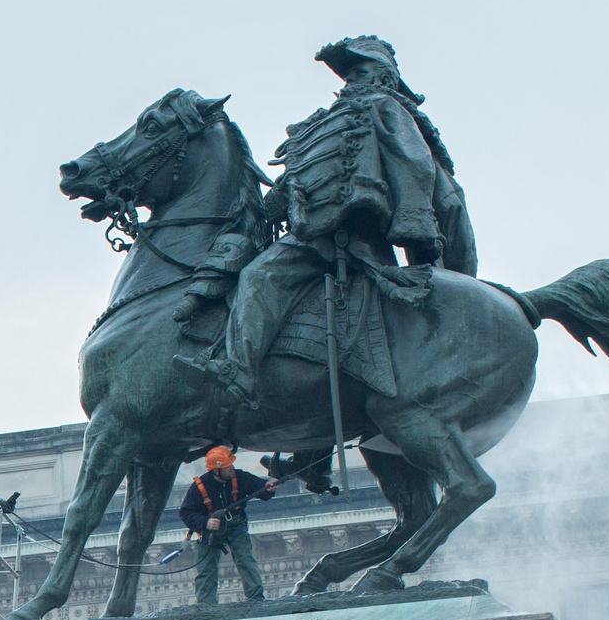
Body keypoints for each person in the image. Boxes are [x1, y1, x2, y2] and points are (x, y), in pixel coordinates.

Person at [204, 36, 478, 405]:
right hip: (311, 231)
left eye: (360, 72)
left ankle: (238, 371)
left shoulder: (384, 108)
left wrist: (420, 238)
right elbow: (295, 183)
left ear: (383, 78)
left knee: (259, 276)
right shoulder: (325, 126)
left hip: (345, 242)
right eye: (348, 76)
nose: (350, 81)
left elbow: (415, 168)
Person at [178, 445, 277, 605]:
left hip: (236, 528)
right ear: (216, 471)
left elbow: (260, 488)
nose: (232, 468)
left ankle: (256, 598)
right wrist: (206, 522)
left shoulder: (240, 478)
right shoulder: (199, 487)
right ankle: (206, 605)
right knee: (206, 569)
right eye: (228, 466)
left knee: (245, 559)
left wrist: (269, 488)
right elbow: (186, 513)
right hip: (210, 533)